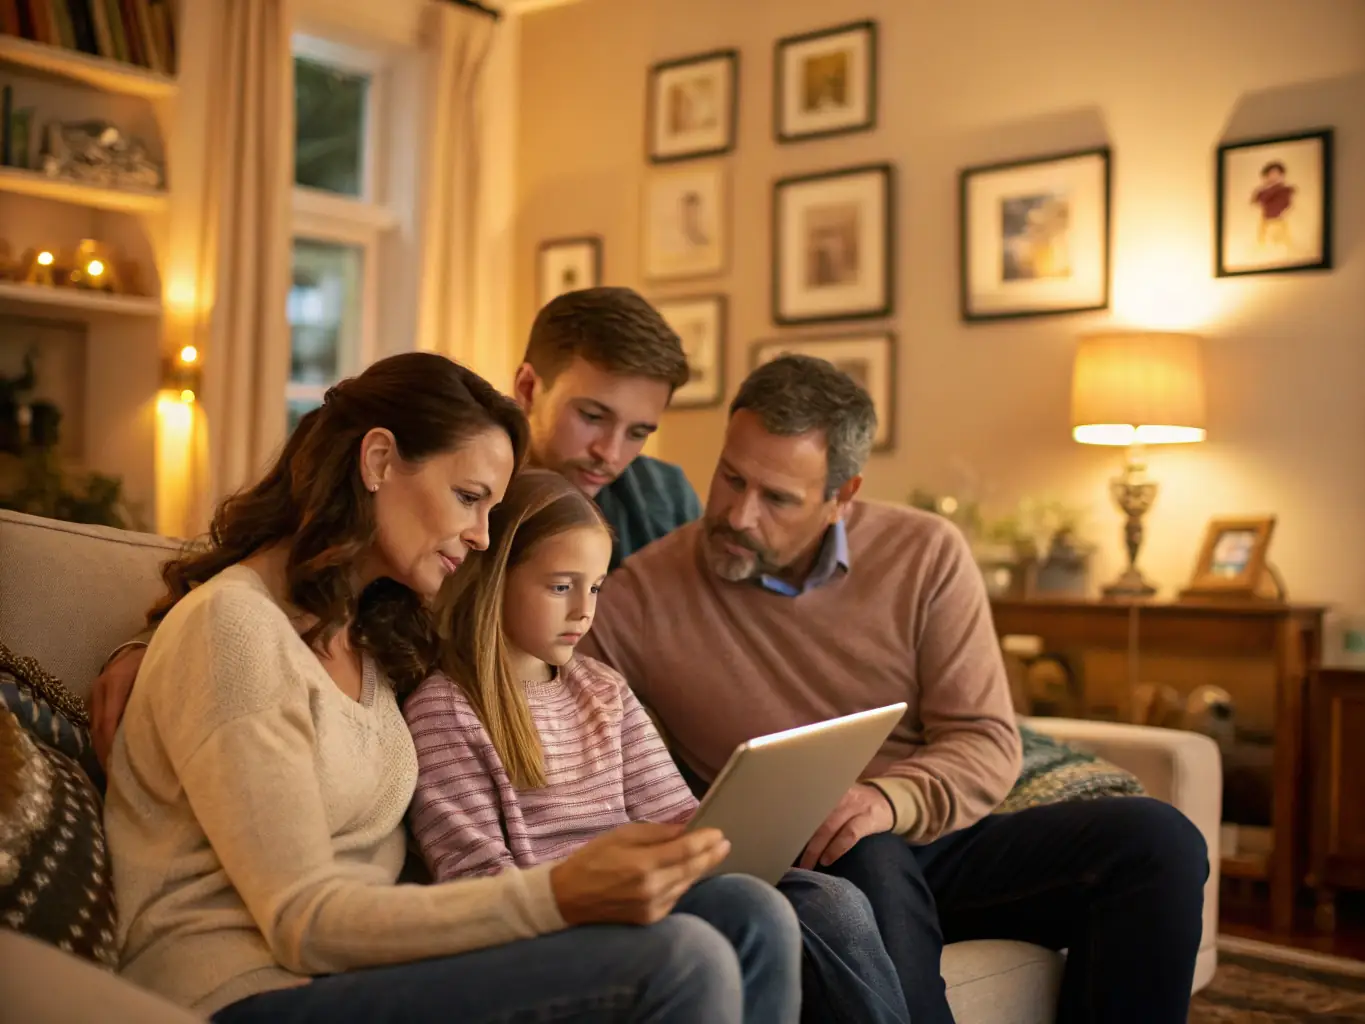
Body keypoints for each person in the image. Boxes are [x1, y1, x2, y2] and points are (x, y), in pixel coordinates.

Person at [103, 351, 802, 1023]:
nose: (480, 537)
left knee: (748, 913)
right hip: (245, 991)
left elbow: (499, 634)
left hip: (371, 973)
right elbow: (302, 921)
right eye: (468, 499)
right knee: (681, 960)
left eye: (491, 511)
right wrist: (559, 894)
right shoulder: (233, 628)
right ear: (378, 460)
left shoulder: (372, 636)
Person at [579, 354, 1211, 1024]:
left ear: (841, 496)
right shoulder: (639, 597)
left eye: (777, 499)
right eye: (730, 477)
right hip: (816, 862)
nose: (738, 514)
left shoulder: (924, 554)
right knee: (856, 846)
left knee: (1157, 840)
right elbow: (544, 698)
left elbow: (983, 739)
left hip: (932, 836)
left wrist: (887, 799)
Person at [90, 287, 699, 762]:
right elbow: (278, 560)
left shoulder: (660, 501)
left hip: (600, 758)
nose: (611, 453)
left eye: (639, 432)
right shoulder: (450, 468)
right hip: (465, 761)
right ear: (527, 387)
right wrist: (152, 643)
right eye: (592, 417)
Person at [405, 468, 909, 1023]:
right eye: (561, 587)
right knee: (751, 906)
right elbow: (474, 887)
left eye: (595, 587)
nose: (583, 610)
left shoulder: (602, 688)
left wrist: (738, 833)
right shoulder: (446, 710)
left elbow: (676, 817)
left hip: (646, 894)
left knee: (833, 899)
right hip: (561, 923)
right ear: (494, 578)